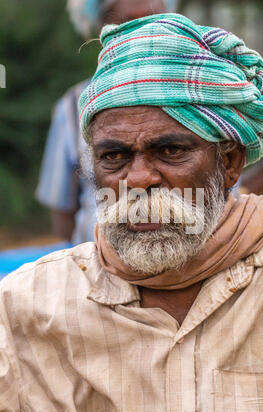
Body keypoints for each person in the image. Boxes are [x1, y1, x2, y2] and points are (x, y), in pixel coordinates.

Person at [1, 13, 263, 412]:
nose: (138, 179)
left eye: (171, 151)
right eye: (114, 157)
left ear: (229, 163)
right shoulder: (26, 306)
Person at [36, 0, 176, 244]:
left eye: (152, 21)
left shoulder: (204, 93)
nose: (141, 34)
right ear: (102, 30)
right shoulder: (73, 107)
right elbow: (62, 211)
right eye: (126, 24)